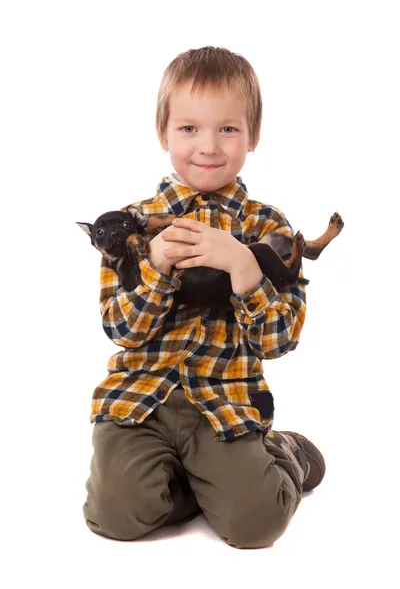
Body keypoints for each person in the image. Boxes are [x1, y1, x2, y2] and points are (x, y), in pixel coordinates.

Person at [82, 45, 326, 549]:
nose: (209, 146)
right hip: (139, 399)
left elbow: (281, 340)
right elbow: (120, 329)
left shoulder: (269, 228)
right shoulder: (130, 226)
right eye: (189, 128)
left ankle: (282, 454)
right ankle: (199, 481)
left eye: (228, 129)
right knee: (115, 515)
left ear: (252, 136)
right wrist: (155, 268)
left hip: (225, 400)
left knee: (254, 526)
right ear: (163, 132)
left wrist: (244, 267)